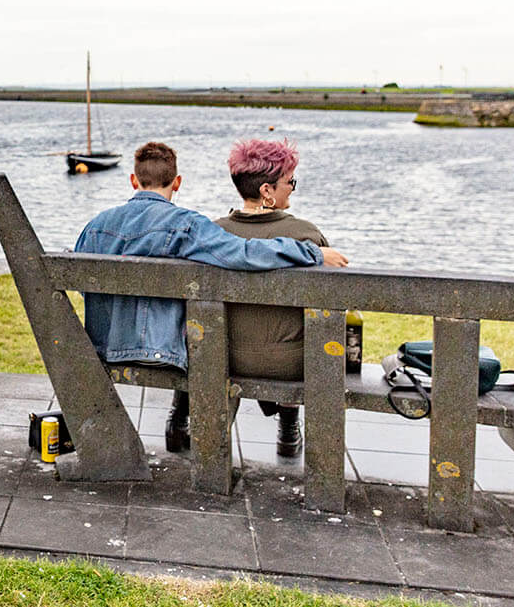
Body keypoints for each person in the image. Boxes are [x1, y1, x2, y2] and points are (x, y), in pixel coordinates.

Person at [75, 141, 348, 451]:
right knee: (203, 338)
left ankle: (179, 419)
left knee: (201, 333)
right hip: (164, 354)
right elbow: (243, 253)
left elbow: (84, 284)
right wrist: (311, 252)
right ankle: (286, 424)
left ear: (133, 180)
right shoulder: (188, 228)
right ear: (177, 183)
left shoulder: (94, 227)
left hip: (103, 348)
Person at [215, 138, 334, 458]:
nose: (293, 188)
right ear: (267, 190)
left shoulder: (213, 233)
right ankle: (288, 427)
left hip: (219, 356)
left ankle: (180, 423)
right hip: (289, 364)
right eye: (289, 181)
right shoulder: (306, 235)